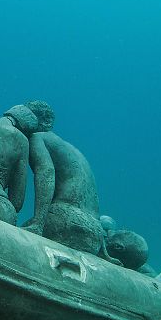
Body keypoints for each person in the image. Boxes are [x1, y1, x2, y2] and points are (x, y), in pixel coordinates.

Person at [23, 102, 105, 254]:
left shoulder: (38, 138)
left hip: (65, 220)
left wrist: (38, 223)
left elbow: (45, 173)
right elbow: (92, 198)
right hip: (94, 233)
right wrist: (103, 251)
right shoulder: (75, 152)